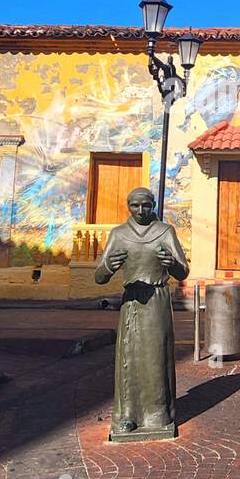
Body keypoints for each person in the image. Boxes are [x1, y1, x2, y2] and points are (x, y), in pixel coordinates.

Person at [94, 187, 189, 440]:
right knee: (130, 357)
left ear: (153, 205)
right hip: (133, 302)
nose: (140, 210)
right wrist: (108, 266)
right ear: (128, 206)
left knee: (156, 356)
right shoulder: (119, 234)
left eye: (146, 205)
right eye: (135, 206)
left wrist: (172, 263)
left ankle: (157, 413)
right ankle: (129, 416)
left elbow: (182, 271)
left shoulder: (165, 232)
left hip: (157, 301)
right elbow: (99, 276)